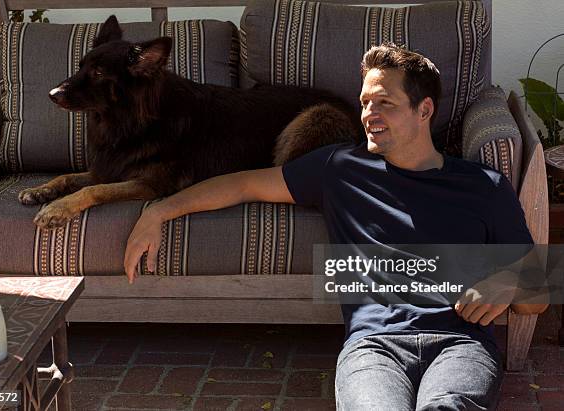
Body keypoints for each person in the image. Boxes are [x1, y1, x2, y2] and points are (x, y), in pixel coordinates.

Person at [124, 44, 547, 410]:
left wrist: (509, 282)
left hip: (461, 343)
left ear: (425, 110)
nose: (368, 114)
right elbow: (243, 184)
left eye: (384, 103)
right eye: (365, 102)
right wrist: (158, 211)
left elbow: (537, 299)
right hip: (375, 346)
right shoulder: (339, 167)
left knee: (449, 406)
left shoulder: (482, 185)